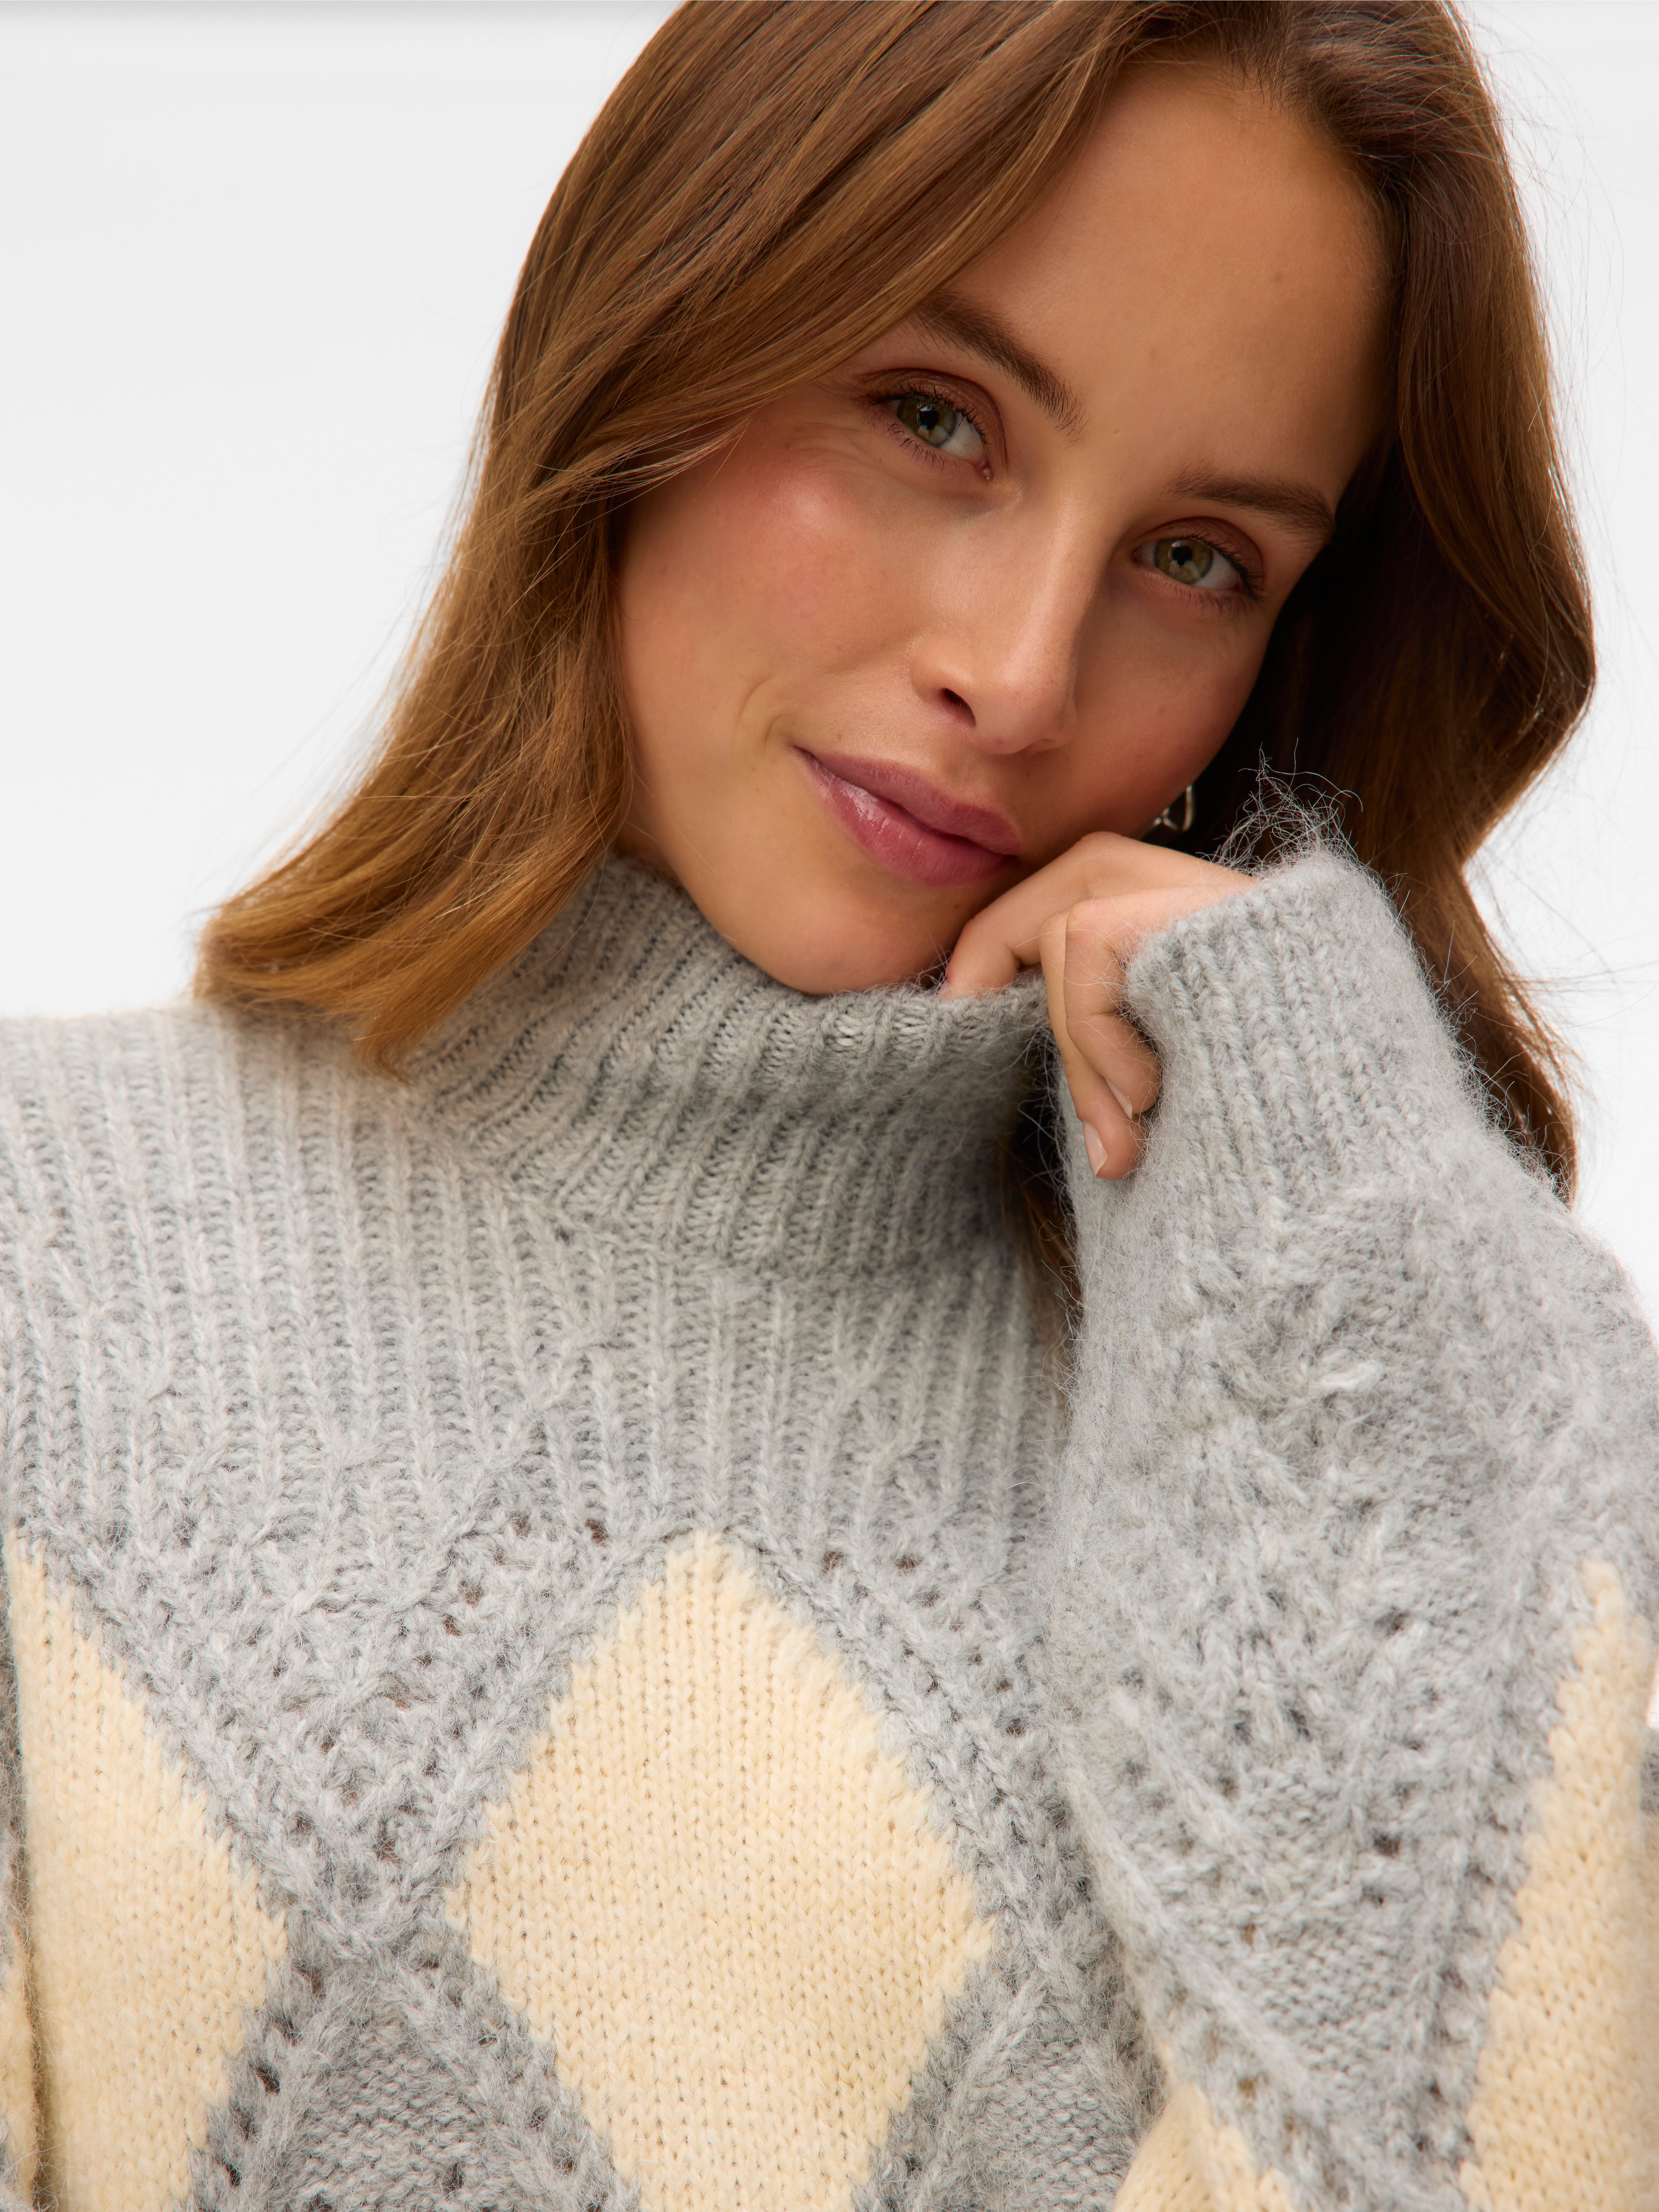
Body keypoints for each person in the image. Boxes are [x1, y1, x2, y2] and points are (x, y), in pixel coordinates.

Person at [0, 3, 1653, 2207]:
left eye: (1198, 557)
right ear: (658, 336)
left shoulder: (1368, 1391)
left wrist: (1349, 1244)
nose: (1023, 671)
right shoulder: (45, 1260)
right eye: (933, 417)